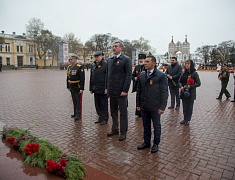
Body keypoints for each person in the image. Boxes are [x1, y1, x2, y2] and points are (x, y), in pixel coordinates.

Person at [136, 55, 168, 153]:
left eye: (147, 61)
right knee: (146, 125)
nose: (145, 63)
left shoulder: (161, 75)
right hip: (144, 106)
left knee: (156, 126)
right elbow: (139, 90)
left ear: (154, 63)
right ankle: (146, 142)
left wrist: (162, 107)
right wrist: (138, 104)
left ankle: (156, 143)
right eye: (145, 61)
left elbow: (164, 92)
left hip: (155, 106)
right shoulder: (142, 75)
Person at [106, 41, 132, 141]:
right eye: (113, 46)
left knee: (123, 113)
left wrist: (125, 90)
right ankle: (115, 128)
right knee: (113, 111)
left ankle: (123, 132)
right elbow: (108, 75)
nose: (114, 48)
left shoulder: (126, 59)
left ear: (121, 48)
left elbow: (128, 75)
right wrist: (107, 87)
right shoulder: (110, 60)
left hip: (121, 91)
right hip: (112, 91)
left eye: (116, 46)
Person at [179, 60, 201, 125]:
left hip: (191, 93)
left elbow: (198, 83)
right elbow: (179, 81)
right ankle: (185, 118)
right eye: (186, 64)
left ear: (191, 65)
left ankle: (188, 119)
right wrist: (181, 87)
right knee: (184, 107)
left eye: (188, 64)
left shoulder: (194, 73)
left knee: (189, 107)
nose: (186, 65)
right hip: (183, 92)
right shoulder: (183, 73)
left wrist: (190, 86)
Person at [89, 51, 108, 125]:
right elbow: (91, 77)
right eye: (95, 57)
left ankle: (105, 118)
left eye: (98, 57)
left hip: (103, 88)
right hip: (95, 88)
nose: (96, 58)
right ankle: (100, 117)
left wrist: (107, 88)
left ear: (101, 57)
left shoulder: (105, 65)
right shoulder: (93, 65)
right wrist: (90, 88)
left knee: (104, 104)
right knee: (97, 104)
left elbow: (107, 77)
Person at [66, 53, 85, 121]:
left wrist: (82, 88)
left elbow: (82, 78)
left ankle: (78, 115)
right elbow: (68, 77)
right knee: (74, 100)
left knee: (78, 101)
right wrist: (68, 85)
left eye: (71, 59)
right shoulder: (69, 67)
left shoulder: (79, 67)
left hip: (77, 86)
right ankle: (75, 113)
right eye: (69, 59)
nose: (70, 61)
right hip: (72, 86)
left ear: (75, 59)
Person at [132, 52, 146, 117]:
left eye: (142, 59)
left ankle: (144, 111)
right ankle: (138, 112)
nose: (141, 60)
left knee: (145, 98)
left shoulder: (146, 67)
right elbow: (132, 75)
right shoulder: (137, 67)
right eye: (139, 59)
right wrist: (134, 78)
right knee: (138, 98)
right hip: (137, 85)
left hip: (145, 86)